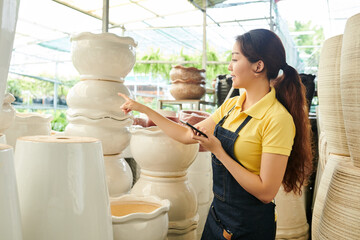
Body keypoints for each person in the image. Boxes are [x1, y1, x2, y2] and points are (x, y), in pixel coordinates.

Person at [118, 28, 313, 240]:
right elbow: (186, 135)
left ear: (258, 66)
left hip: (249, 227)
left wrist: (218, 151)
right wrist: (144, 109)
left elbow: (266, 192)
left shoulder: (277, 119)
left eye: (235, 59)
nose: (229, 67)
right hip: (217, 217)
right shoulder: (231, 105)